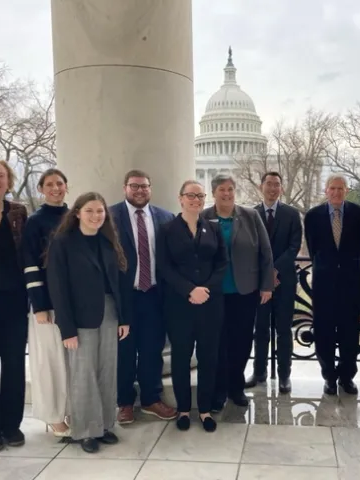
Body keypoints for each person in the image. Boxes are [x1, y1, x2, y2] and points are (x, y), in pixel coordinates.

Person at [46, 192, 130, 453]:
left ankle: (104, 426)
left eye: (100, 211)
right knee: (84, 374)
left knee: (107, 371)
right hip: (79, 317)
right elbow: (58, 288)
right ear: (78, 212)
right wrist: (67, 328)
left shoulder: (108, 241)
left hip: (109, 312)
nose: (96, 216)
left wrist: (124, 318)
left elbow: (118, 283)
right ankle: (85, 431)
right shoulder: (63, 242)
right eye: (90, 211)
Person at [157, 180, 227, 432]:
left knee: (209, 357)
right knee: (181, 357)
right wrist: (190, 290)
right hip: (179, 304)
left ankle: (206, 410)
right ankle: (184, 409)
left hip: (210, 303)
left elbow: (222, 264)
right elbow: (164, 267)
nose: (196, 200)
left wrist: (205, 290)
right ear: (180, 198)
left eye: (200, 196)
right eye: (191, 195)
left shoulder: (213, 228)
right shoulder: (166, 230)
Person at [202, 174, 274, 411]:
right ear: (214, 193)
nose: (227, 194)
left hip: (245, 291)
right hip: (215, 293)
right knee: (219, 342)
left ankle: (237, 387)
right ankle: (220, 390)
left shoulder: (250, 216)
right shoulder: (204, 218)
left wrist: (266, 285)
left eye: (231, 189)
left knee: (242, 341)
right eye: (222, 189)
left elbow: (265, 252)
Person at [110, 169, 176, 424]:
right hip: (124, 296)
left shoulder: (165, 217)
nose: (140, 191)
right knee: (124, 351)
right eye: (134, 186)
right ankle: (124, 402)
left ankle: (151, 399)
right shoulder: (110, 216)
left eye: (144, 186)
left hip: (154, 295)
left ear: (150, 188)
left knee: (152, 350)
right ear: (125, 187)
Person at [304, 175, 360, 395]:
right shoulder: (313, 216)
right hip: (323, 284)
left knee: (350, 331)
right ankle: (329, 377)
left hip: (350, 283)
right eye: (332, 188)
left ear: (346, 190)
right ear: (326, 191)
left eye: (340, 188)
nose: (336, 192)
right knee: (324, 332)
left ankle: (347, 377)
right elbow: (313, 249)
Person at [22, 168, 70, 438]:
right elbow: (30, 264)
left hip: (73, 303)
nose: (55, 188)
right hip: (47, 304)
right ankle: (53, 415)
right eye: (49, 184)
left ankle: (73, 407)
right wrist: (39, 306)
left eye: (60, 183)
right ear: (41, 189)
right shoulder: (35, 221)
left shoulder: (75, 215)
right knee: (50, 362)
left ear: (67, 186)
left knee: (72, 363)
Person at [245, 172, 302, 394]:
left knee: (284, 330)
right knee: (260, 330)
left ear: (282, 188)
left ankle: (284, 376)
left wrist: (274, 270)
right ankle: (259, 372)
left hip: (284, 281)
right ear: (261, 187)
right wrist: (265, 273)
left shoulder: (291, 214)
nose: (272, 188)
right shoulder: (250, 214)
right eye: (268, 184)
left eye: (277, 184)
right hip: (259, 283)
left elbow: (294, 246)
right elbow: (248, 247)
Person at [0, 160, 28, 451]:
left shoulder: (18, 212)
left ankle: (11, 425)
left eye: (0, 175)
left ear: (9, 180)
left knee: (14, 364)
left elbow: (27, 254)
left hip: (14, 300)